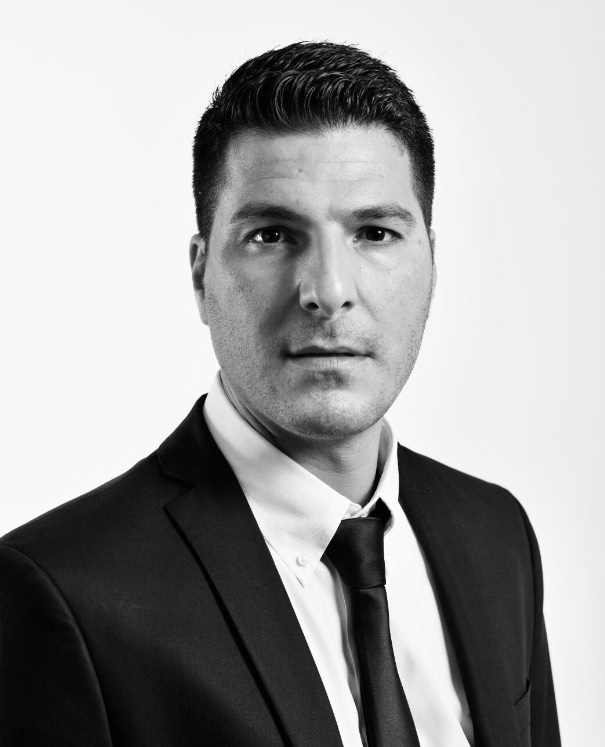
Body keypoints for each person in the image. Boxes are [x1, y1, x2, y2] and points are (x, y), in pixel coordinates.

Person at [0, 42, 560, 747]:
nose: (328, 290)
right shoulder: (62, 593)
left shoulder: (495, 533)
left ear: (431, 261)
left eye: (375, 232)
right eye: (271, 234)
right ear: (201, 273)